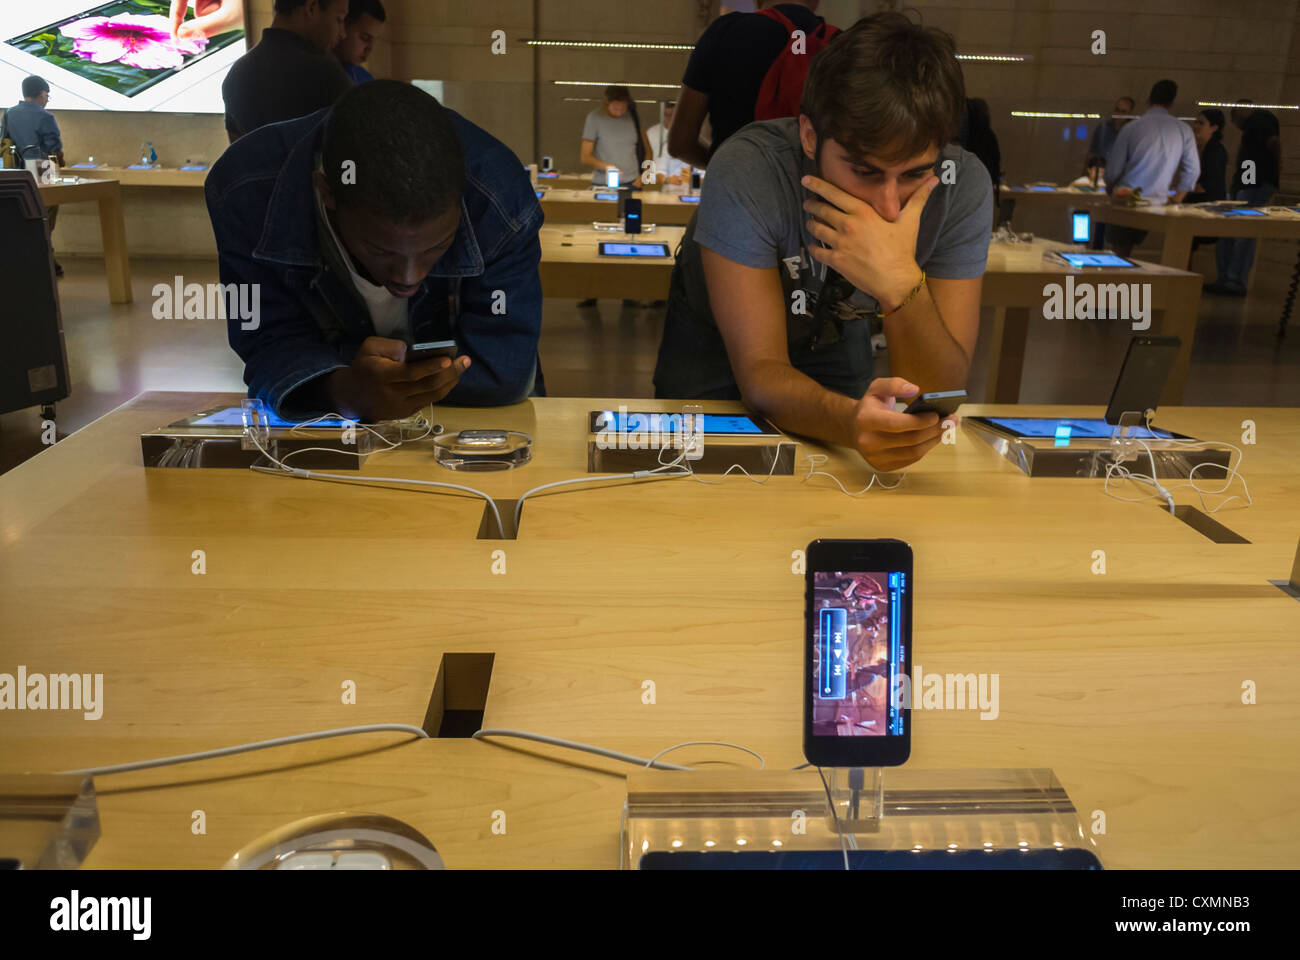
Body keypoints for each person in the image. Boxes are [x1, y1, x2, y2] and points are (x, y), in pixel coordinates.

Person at [654, 13, 993, 473]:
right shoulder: (747, 167)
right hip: (713, 340)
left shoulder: (963, 184)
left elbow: (936, 394)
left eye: (915, 173)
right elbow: (760, 373)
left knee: (837, 481)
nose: (889, 208)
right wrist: (850, 422)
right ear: (810, 136)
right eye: (865, 171)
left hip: (833, 331)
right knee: (692, 479)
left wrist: (899, 284)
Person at [205, 80, 544, 421]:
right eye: (381, 251)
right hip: (330, 428)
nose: (409, 278)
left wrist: (341, 374)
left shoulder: (501, 199)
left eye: (436, 247)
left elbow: (504, 371)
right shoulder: (245, 192)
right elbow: (266, 342)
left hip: (474, 426)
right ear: (327, 192)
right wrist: (339, 389)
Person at [669, 1, 835, 169]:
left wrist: (720, 167)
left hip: (733, 183)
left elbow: (680, 144)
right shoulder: (842, 45)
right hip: (812, 190)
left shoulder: (725, 31)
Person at [222, 0, 352, 142]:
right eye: (339, 19)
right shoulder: (326, 75)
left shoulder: (235, 75)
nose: (343, 33)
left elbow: (237, 156)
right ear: (311, 8)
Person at [1104, 79, 1199, 257]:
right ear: (1172, 102)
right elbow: (1192, 171)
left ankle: (1117, 284)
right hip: (1160, 202)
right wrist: (1176, 200)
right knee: (1171, 255)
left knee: (1119, 254)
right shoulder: (1183, 129)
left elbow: (1114, 170)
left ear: (1149, 98)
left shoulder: (1132, 127)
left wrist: (1111, 191)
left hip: (1128, 199)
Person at [1208, 100, 1282, 295]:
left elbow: (1273, 145)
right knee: (1236, 231)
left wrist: (1274, 175)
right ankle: (1228, 278)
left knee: (1242, 231)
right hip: (1249, 184)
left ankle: (1233, 281)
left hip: (1254, 185)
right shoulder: (1255, 127)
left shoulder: (1259, 121)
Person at [2, 76, 65, 276]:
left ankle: (27, 258)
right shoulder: (45, 117)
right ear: (42, 93)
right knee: (46, 215)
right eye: (47, 95)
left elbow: (3, 140)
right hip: (43, 167)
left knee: (20, 213)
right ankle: (47, 257)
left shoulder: (9, 114)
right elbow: (54, 148)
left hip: (15, 170)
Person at [580, 86, 651, 188]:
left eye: (623, 108)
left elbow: (649, 151)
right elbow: (585, 157)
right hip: (603, 183)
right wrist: (607, 167)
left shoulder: (634, 117)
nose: (619, 112)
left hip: (632, 183)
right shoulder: (594, 118)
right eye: (615, 108)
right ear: (606, 103)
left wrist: (646, 176)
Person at [335, 0, 385, 84]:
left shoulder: (366, 79)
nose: (370, 48)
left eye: (374, 40)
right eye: (365, 38)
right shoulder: (316, 71)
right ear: (342, 26)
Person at [1186, 109, 1227, 203]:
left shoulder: (1215, 150)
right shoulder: (1200, 148)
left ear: (1214, 127)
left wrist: (1182, 191)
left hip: (1208, 204)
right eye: (1195, 122)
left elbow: (1208, 184)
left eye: (1201, 123)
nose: (1196, 126)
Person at [1086, 96, 1135, 170]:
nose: (1119, 114)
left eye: (1123, 112)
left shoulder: (1132, 131)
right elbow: (1092, 152)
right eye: (1117, 110)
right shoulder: (1103, 128)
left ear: (1129, 113)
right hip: (1101, 172)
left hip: (1122, 175)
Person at [644, 102, 688, 185]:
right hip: (659, 183)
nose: (669, 118)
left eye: (672, 115)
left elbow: (702, 172)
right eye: (667, 115)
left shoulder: (694, 141)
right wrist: (645, 177)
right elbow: (650, 158)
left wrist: (691, 179)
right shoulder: (652, 133)